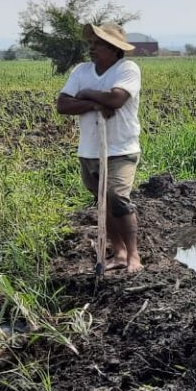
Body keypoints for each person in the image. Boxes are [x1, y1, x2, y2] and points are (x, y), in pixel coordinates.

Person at [56, 23, 144, 273]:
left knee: (117, 197)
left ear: (115, 48)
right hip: (89, 150)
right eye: (91, 44)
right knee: (102, 201)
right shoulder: (81, 70)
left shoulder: (127, 68)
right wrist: (95, 104)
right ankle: (118, 253)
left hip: (120, 148)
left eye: (98, 44)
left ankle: (133, 256)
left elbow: (116, 99)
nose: (92, 49)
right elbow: (63, 105)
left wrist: (85, 94)